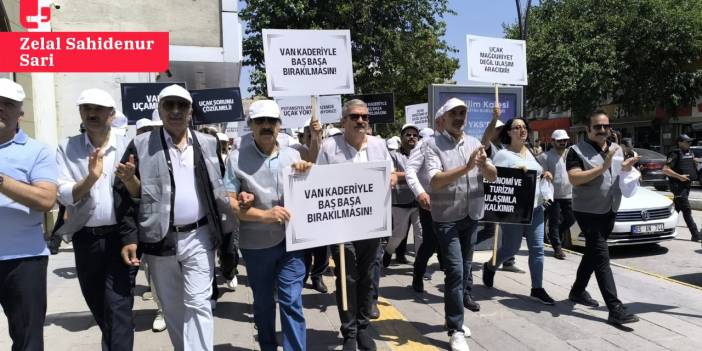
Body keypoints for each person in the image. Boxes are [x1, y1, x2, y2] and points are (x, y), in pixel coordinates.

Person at [117, 84, 237, 350]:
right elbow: (125, 195)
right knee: (172, 308)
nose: (175, 111)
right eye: (168, 105)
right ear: (160, 109)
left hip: (200, 236)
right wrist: (129, 235)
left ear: (190, 111)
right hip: (160, 239)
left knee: (199, 303)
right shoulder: (140, 144)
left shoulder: (207, 143)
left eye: (181, 105)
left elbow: (217, 186)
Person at [224, 99, 312, 351]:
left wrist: (308, 170)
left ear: (279, 125)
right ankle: (267, 345)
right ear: (250, 125)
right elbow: (229, 203)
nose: (266, 126)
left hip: (292, 243)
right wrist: (261, 213)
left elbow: (310, 190)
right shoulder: (235, 159)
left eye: (271, 121)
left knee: (292, 301)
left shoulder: (293, 155)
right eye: (259, 121)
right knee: (263, 303)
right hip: (256, 246)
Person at [55, 88, 138, 350]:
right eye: (86, 108)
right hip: (86, 240)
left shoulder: (128, 145)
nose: (92, 113)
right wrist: (90, 178)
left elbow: (142, 193)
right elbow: (65, 194)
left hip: (121, 238)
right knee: (100, 307)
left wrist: (130, 180)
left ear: (111, 115)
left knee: (119, 307)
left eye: (98, 109)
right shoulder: (67, 147)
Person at [316, 99, 396, 351]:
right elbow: (319, 183)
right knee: (347, 277)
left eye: (364, 117)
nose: (360, 121)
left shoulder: (379, 145)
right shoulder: (329, 147)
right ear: (344, 121)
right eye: (355, 117)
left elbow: (390, 173)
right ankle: (349, 331)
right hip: (342, 228)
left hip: (372, 225)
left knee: (368, 277)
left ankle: (362, 328)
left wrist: (392, 177)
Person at [425, 98, 496, 351]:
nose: (459, 117)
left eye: (463, 113)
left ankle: (454, 318)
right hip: (447, 220)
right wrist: (466, 168)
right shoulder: (432, 145)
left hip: (471, 217)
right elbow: (434, 181)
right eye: (454, 113)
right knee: (454, 272)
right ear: (443, 119)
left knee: (465, 272)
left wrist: (485, 165)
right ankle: (455, 329)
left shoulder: (476, 143)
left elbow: (492, 175)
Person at [566, 110, 641, 325]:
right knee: (601, 256)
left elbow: (617, 174)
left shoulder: (616, 149)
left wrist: (626, 169)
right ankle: (615, 308)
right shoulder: (575, 150)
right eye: (597, 127)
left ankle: (577, 291)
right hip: (587, 211)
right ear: (588, 129)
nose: (602, 130)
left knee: (592, 252)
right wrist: (603, 167)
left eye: (605, 126)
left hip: (610, 208)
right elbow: (574, 178)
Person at [0, 78, 58, 351]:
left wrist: (3, 181)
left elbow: (46, 199)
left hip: (23, 261)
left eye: (7, 104)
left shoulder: (37, 152)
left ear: (20, 113)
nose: (0, 108)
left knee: (27, 342)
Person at [482, 118, 556, 306]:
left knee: (538, 249)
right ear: (508, 132)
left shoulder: (530, 153)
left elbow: (535, 177)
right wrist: (513, 172)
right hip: (515, 212)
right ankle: (490, 266)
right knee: (510, 249)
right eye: (517, 128)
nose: (522, 130)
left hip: (536, 209)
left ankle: (537, 288)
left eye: (524, 127)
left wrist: (544, 175)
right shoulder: (502, 155)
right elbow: (494, 180)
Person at [406, 110, 446, 293]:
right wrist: (420, 193)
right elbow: (410, 170)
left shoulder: (455, 143)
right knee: (430, 242)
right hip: (429, 203)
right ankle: (418, 273)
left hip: (453, 203)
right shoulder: (424, 145)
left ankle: (460, 286)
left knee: (452, 242)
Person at [481, 115, 524, 274]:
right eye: (496, 129)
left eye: (501, 129)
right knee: (491, 230)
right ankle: (466, 247)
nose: (499, 132)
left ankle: (508, 260)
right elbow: (485, 140)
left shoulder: (505, 147)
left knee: (505, 230)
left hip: (508, 193)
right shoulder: (490, 146)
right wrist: (493, 120)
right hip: (494, 193)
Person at [291, 118, 329, 293]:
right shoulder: (295, 151)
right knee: (305, 249)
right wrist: (313, 140)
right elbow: (312, 159)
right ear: (302, 135)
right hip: (302, 206)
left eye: (315, 133)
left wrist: (317, 138)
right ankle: (303, 274)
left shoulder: (329, 149)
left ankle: (318, 276)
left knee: (322, 248)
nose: (311, 136)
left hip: (322, 206)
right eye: (307, 133)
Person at [383, 124, 422, 266]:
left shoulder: (422, 154)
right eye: (408, 134)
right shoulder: (393, 155)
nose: (412, 137)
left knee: (421, 235)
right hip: (400, 202)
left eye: (415, 135)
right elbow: (391, 174)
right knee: (399, 234)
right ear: (402, 137)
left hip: (419, 201)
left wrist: (405, 175)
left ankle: (419, 266)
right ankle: (388, 251)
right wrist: (412, 175)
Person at [538, 129, 575, 259]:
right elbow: (540, 173)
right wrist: (545, 174)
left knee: (571, 218)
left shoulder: (571, 154)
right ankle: (557, 249)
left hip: (569, 194)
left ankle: (558, 232)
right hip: (553, 195)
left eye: (565, 140)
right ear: (553, 141)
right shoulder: (545, 156)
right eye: (559, 140)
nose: (563, 143)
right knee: (553, 221)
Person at [663, 134, 701, 242]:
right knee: (686, 209)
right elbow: (665, 170)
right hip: (678, 186)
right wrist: (680, 177)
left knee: (676, 209)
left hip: (687, 185)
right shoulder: (675, 153)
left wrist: (695, 162)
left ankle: (664, 228)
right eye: (687, 142)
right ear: (679, 142)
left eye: (690, 142)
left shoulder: (689, 152)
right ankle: (696, 234)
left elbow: (690, 164)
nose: (689, 144)